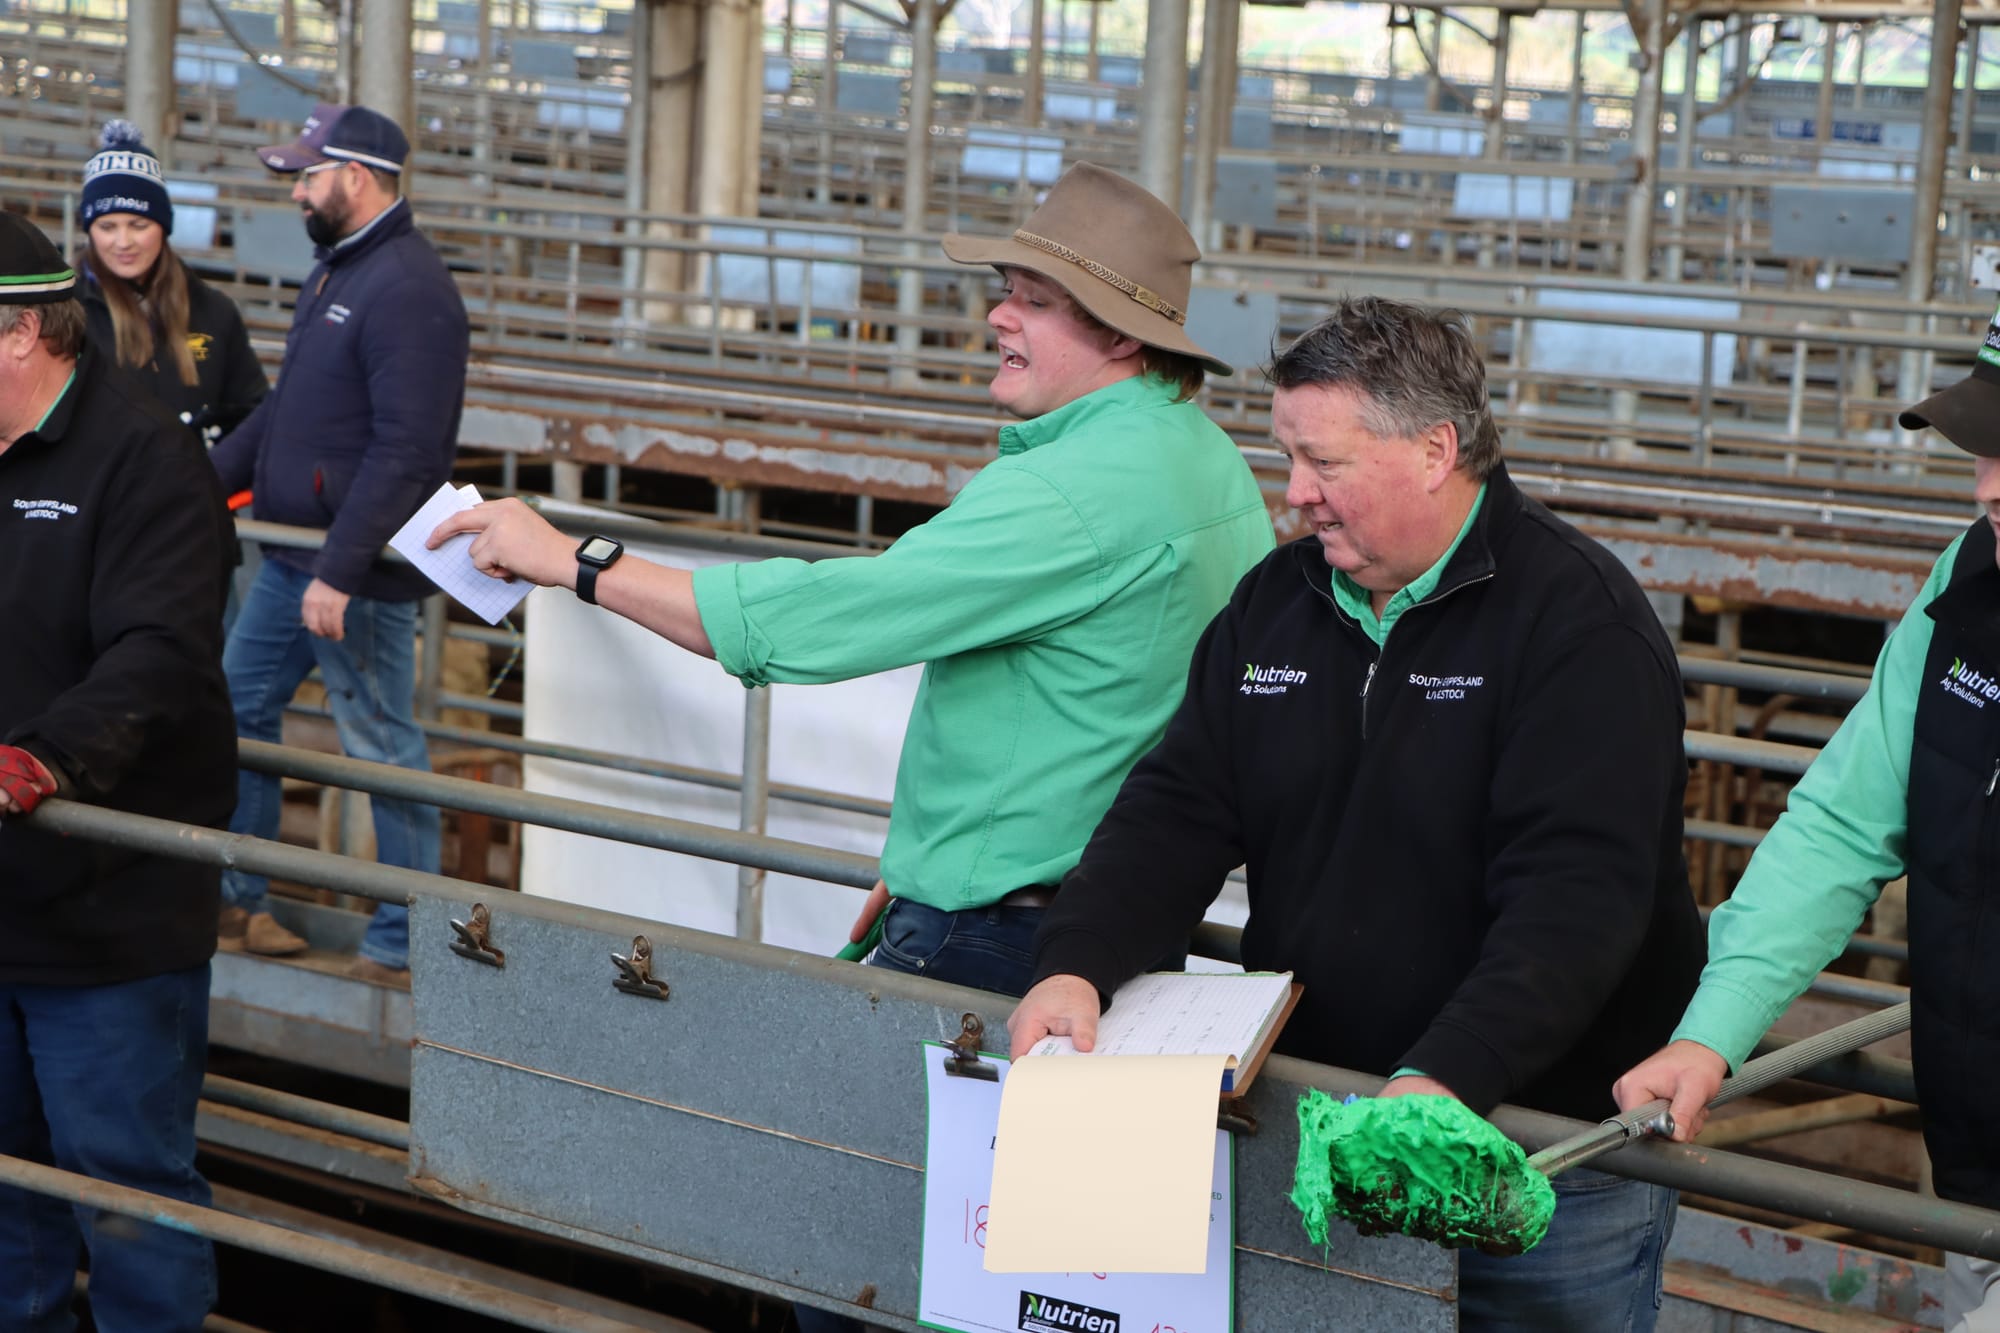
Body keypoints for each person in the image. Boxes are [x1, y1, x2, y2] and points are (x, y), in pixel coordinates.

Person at [1006, 296, 1707, 1332]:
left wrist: (1443, 1075)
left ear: (1433, 450)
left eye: (1322, 464)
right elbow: (1174, 810)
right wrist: (1075, 962)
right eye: (1287, 457)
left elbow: (1575, 899)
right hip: (1324, 1123)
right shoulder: (1275, 603)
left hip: (1531, 1144)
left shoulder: (1573, 625)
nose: (1294, 495)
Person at [432, 162, 1273, 1010]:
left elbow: (813, 622)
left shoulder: (1069, 490)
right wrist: (941, 863)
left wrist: (572, 558)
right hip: (1111, 920)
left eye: (1036, 301)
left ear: (1123, 336)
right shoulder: (1210, 463)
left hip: (1003, 937)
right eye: (1006, 289)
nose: (997, 315)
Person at [1614, 316, 2000, 1332]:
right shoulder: (1968, 581)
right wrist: (1712, 1028)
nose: (1986, 486)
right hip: (1976, 1165)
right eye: (1987, 452)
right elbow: (1842, 819)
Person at [0, 210, 238, 1332]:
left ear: (17, 333)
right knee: (5, 1191)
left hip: (106, 912)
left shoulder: (142, 456)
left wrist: (42, 757)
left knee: (124, 1189)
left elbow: (160, 651)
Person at [208, 103, 469, 976]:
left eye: (309, 175)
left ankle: (403, 944)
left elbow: (408, 451)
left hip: (350, 573)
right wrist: (193, 481)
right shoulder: (339, 273)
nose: (299, 191)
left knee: (383, 746)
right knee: (232, 711)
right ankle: (241, 898)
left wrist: (340, 567)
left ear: (355, 177)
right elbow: (288, 411)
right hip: (296, 557)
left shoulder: (408, 290)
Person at [77, 120, 268, 443]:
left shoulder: (214, 310)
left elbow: (255, 413)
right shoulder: (65, 313)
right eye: (107, 227)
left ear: (163, 226)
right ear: (90, 230)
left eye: (138, 225)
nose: (123, 242)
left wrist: (218, 472)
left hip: (193, 488)